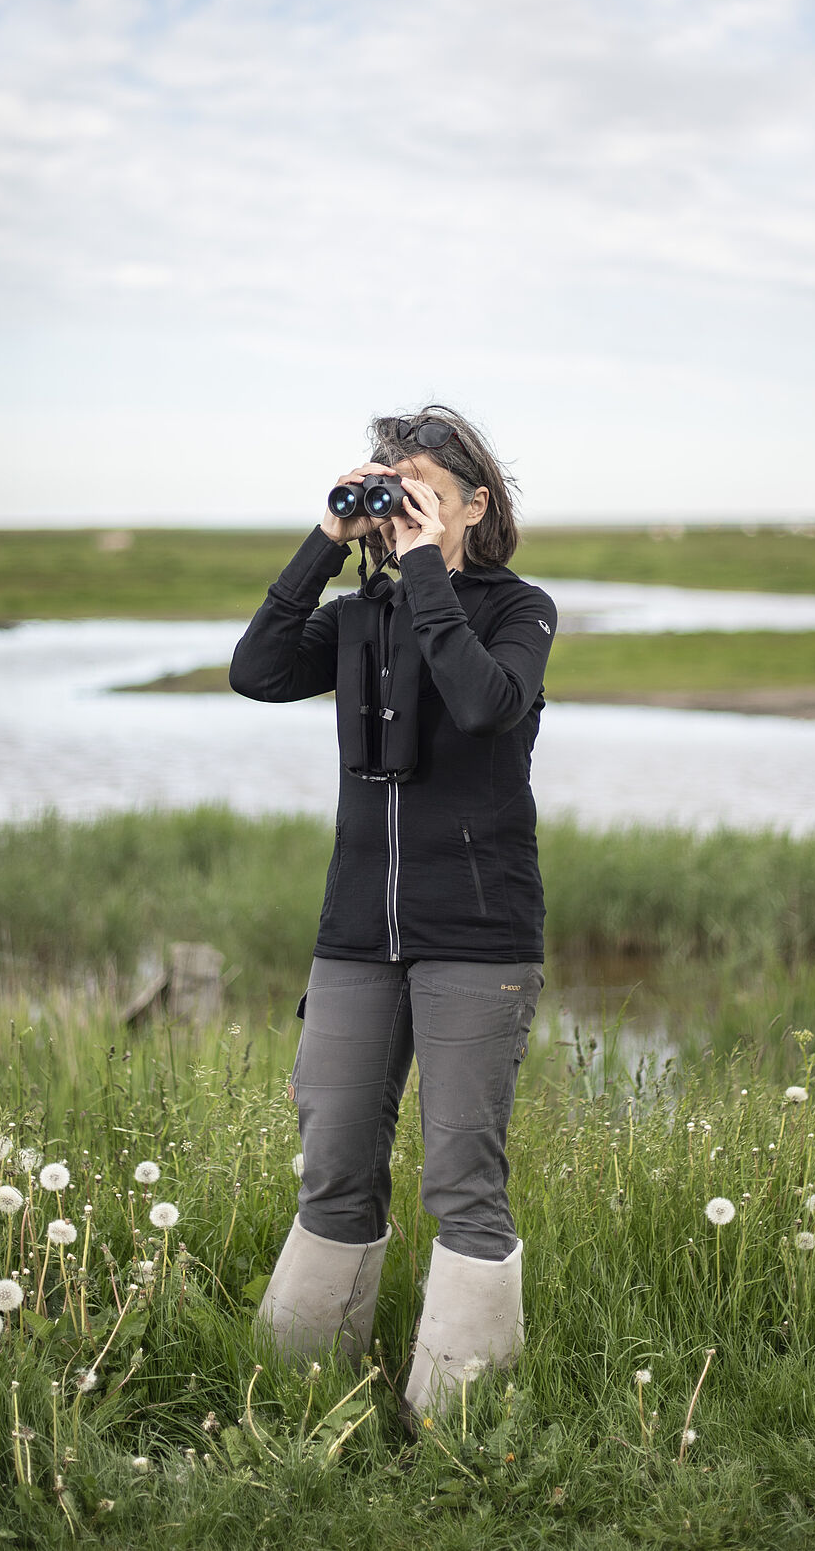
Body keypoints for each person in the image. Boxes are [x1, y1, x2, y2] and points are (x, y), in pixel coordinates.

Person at [228, 406, 557, 1420]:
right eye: (390, 488)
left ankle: (457, 1422)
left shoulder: (519, 609)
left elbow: (483, 703)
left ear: (474, 503)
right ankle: (298, 1395)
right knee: (331, 1166)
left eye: (422, 490)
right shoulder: (357, 617)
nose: (401, 507)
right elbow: (257, 669)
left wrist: (423, 571)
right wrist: (325, 543)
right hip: (357, 938)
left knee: (462, 1177)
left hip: (478, 933)